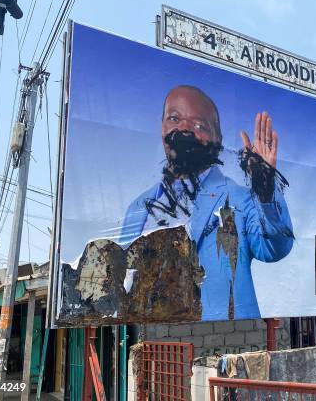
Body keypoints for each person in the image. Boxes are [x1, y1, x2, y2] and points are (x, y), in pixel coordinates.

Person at [119, 85, 294, 320]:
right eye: (174, 118)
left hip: (221, 344)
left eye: (199, 125)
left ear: (217, 140)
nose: (183, 128)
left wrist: (265, 187)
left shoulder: (240, 198)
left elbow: (275, 248)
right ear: (162, 127)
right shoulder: (138, 208)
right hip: (156, 345)